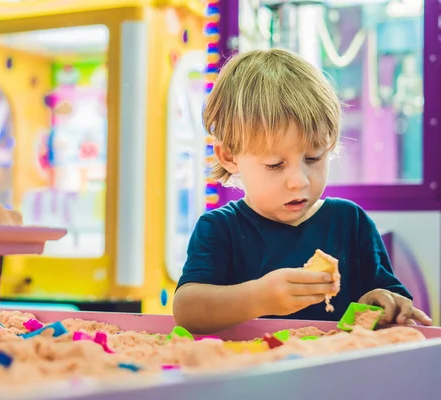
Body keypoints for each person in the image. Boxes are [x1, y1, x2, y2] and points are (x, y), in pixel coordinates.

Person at [172, 49, 432, 334]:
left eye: (313, 158)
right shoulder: (220, 228)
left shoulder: (350, 222)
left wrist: (384, 303)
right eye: (275, 164)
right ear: (230, 157)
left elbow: (391, 298)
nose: (299, 181)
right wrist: (258, 297)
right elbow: (187, 310)